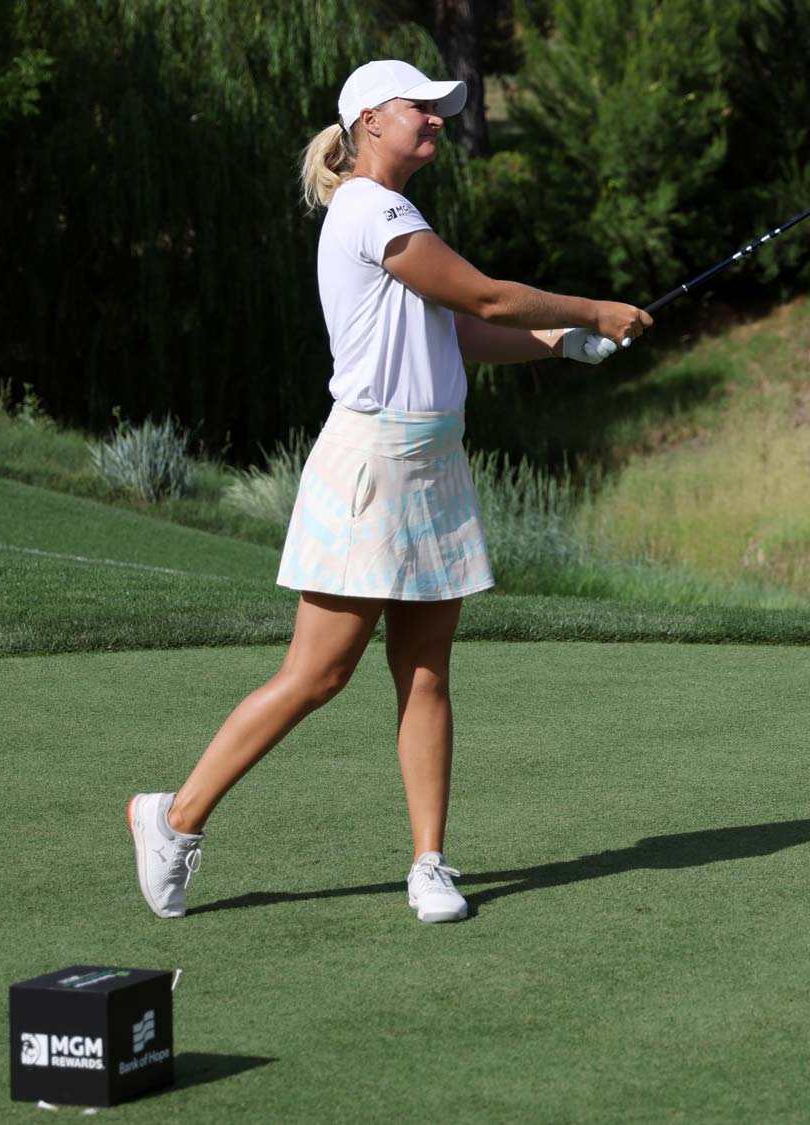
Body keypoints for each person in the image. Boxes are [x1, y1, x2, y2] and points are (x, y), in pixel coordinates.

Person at [127, 59, 651, 924]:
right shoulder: (373, 208)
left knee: (426, 675)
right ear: (370, 119)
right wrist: (593, 309)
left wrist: (557, 341)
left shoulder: (394, 212)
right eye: (424, 108)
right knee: (317, 673)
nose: (441, 120)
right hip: (371, 462)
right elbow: (484, 291)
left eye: (443, 111)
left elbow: (464, 330)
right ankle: (172, 819)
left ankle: (430, 864)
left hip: (434, 463)